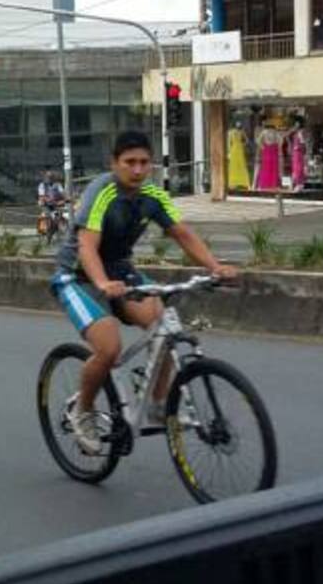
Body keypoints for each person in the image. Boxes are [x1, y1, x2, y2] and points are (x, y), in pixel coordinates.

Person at [50, 130, 238, 455]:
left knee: (163, 322)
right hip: (78, 275)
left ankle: (157, 401)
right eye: (129, 162)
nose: (137, 170)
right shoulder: (102, 192)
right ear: (114, 163)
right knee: (108, 347)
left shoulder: (153, 194)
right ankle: (83, 410)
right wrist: (102, 284)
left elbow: (181, 233)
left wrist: (214, 266)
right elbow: (87, 246)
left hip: (121, 271)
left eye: (144, 163)